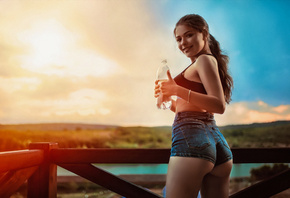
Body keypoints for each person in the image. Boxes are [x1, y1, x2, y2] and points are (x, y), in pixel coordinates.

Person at [154, 14, 234, 198]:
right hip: (215, 141)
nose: (183, 43)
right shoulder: (203, 62)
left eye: (189, 35)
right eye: (179, 39)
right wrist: (169, 99)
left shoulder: (204, 60)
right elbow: (192, 107)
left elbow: (218, 105)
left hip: (192, 139)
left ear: (204, 34)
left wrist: (177, 89)